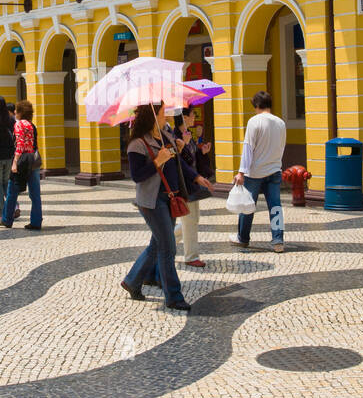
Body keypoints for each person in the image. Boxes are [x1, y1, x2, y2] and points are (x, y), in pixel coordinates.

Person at [122, 102, 213, 311]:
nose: (168, 116)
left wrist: (197, 177)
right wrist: (157, 161)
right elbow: (137, 176)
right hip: (152, 202)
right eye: (164, 112)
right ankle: (173, 296)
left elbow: (179, 164)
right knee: (168, 247)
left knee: (158, 245)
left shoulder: (167, 136)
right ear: (152, 116)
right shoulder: (137, 144)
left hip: (171, 198)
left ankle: (132, 281)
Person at [230, 91, 287, 252]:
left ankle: (243, 238)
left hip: (255, 172)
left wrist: (241, 172)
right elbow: (281, 146)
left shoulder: (254, 122)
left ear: (256, 105)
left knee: (248, 205)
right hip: (274, 170)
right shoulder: (280, 123)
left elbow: (248, 148)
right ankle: (278, 241)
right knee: (276, 206)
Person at [171, 109, 213, 269]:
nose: (195, 117)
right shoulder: (175, 137)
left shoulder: (189, 135)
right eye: (193, 115)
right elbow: (179, 162)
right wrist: (186, 145)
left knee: (193, 219)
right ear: (184, 117)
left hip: (192, 184)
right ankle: (191, 256)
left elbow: (194, 160)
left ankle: (166, 240)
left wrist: (202, 153)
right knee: (190, 220)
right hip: (183, 184)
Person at [0, 99, 43, 230]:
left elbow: (20, 144)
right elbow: (34, 144)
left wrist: (15, 162)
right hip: (32, 161)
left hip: (22, 160)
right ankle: (36, 221)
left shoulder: (18, 125)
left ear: (20, 112)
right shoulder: (31, 125)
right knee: (35, 193)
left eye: (17, 110)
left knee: (12, 190)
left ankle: (7, 219)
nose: (15, 112)